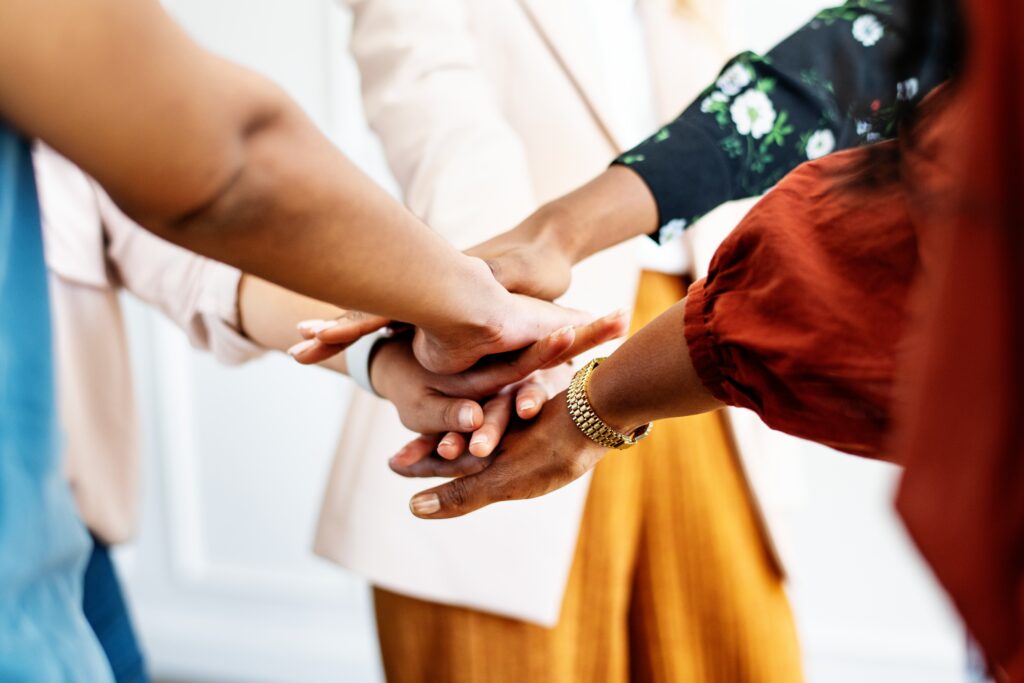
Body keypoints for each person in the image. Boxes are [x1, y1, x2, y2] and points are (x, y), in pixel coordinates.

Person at [377, 0, 1024, 679]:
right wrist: (504, 297)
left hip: (689, 366)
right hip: (520, 366)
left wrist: (597, 384)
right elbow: (837, 74)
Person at [0, 0, 587, 678]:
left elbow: (194, 258)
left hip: (66, 556)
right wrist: (474, 305)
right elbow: (235, 166)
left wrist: (385, 355)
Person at [301, 1, 806, 680]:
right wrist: (498, 326)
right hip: (511, 349)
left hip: (699, 360)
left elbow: (750, 129)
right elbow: (440, 120)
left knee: (739, 650)